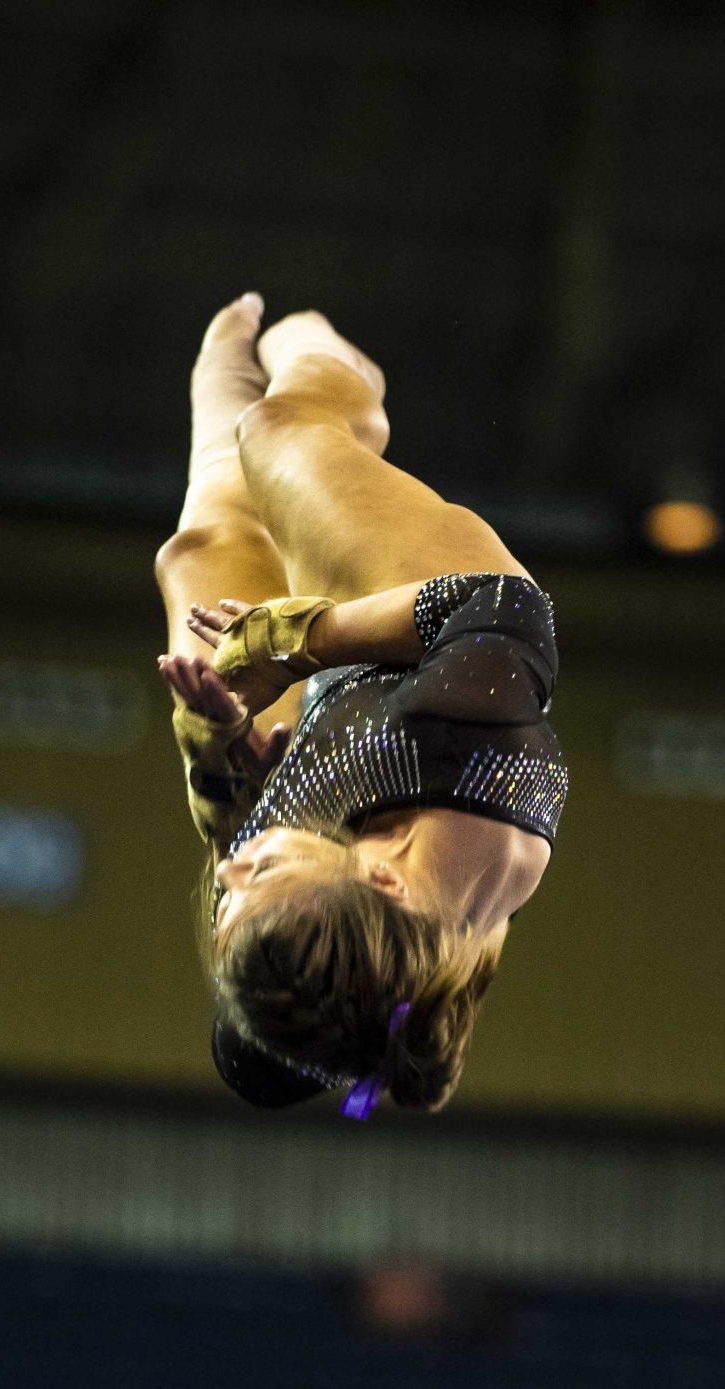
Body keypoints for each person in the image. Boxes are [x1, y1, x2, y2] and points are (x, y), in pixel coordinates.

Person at [154, 296, 568, 1114]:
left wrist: (222, 749)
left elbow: (262, 1059)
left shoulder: (327, 936)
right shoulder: (474, 785)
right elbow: (504, 618)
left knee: (199, 551)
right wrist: (296, 641)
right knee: (278, 435)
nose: (235, 865)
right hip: (427, 621)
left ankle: (222, 370)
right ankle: (312, 347)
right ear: (381, 875)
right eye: (259, 870)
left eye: (232, 889)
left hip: (335, 731)